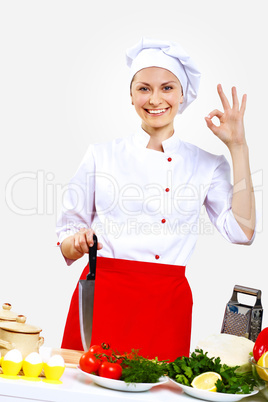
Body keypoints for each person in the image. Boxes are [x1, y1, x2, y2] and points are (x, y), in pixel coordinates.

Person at [56, 38, 256, 361]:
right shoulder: (100, 156)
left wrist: (238, 148)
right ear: (131, 94)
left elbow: (243, 232)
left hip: (166, 306)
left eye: (167, 88)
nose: (155, 99)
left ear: (182, 95)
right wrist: (77, 242)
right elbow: (66, 237)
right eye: (144, 89)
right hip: (104, 296)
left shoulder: (207, 164)